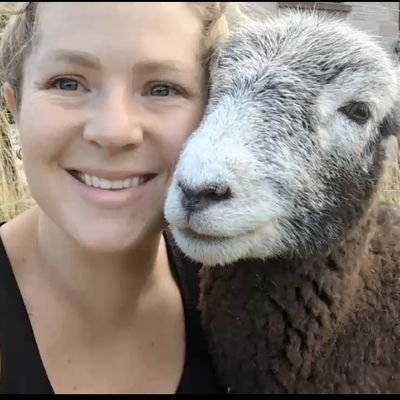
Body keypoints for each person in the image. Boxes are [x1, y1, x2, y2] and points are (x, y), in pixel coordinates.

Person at [0, 2, 239, 394]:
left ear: (214, 117)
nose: (113, 131)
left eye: (162, 89)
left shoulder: (252, 311)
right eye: (68, 83)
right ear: (16, 108)